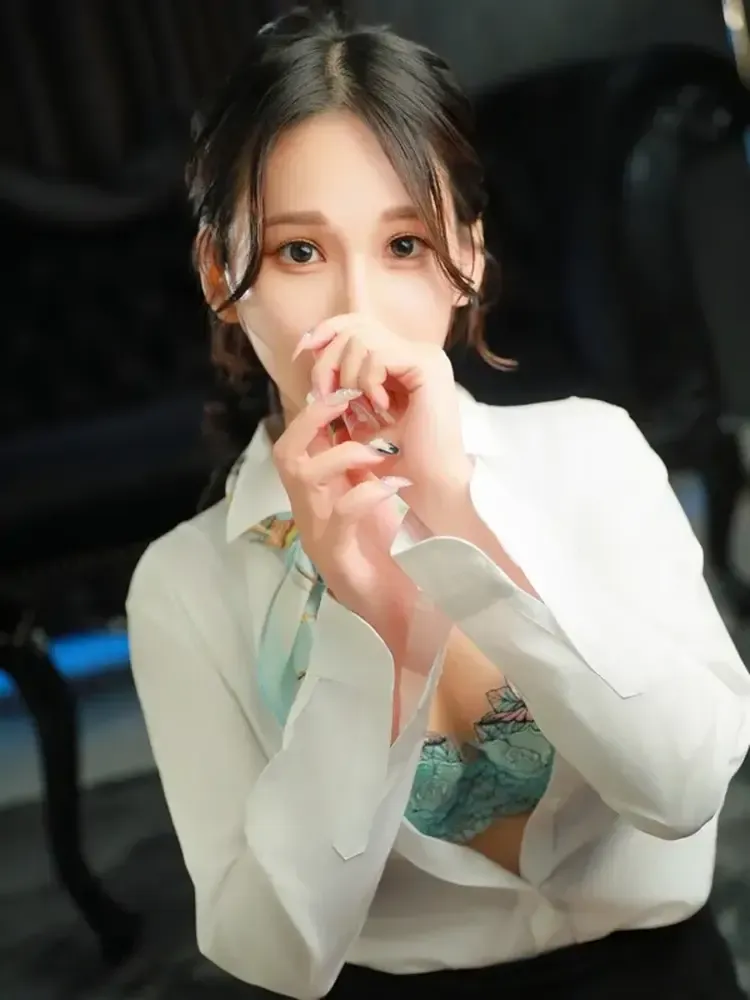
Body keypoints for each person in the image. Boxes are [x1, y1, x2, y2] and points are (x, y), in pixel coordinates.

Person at [126, 8, 750, 999]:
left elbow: (683, 789)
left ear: (468, 255)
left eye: (405, 243)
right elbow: (274, 956)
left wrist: (462, 518)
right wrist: (370, 632)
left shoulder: (591, 453)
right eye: (299, 252)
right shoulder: (184, 584)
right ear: (219, 275)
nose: (356, 312)